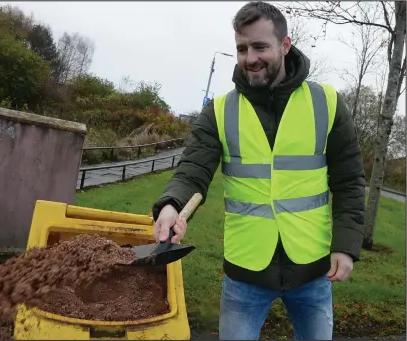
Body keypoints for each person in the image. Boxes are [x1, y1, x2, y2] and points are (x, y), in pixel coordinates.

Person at [151, 1, 366, 340]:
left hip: (314, 270)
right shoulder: (219, 111)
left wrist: (346, 245)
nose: (250, 57)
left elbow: (350, 181)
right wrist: (170, 205)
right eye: (241, 48)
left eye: (260, 46)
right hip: (245, 274)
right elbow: (193, 171)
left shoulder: (327, 102)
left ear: (285, 45)